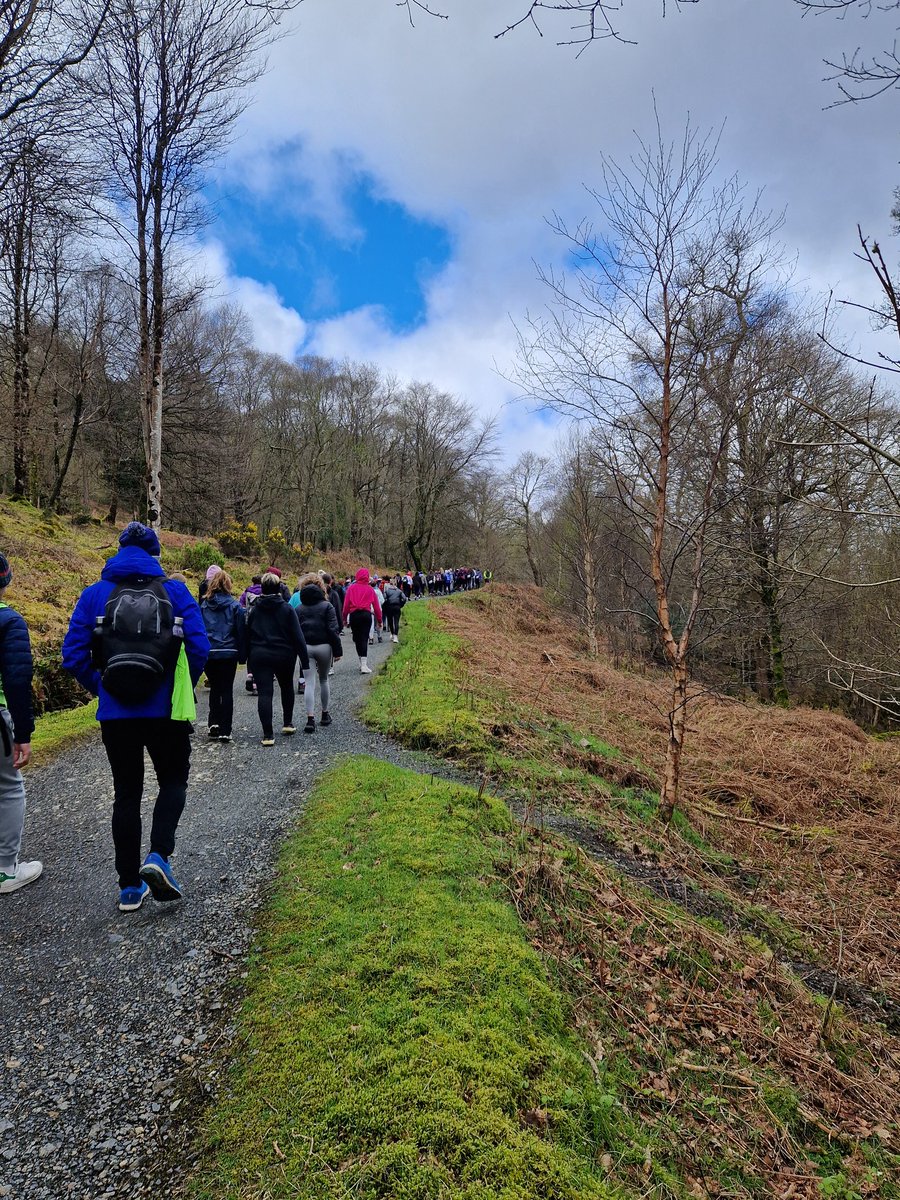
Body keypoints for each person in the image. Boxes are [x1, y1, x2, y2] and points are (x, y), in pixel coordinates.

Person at [62, 522, 210, 912]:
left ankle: (129, 887)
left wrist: (102, 688)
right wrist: (181, 687)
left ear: (119, 550)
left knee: (127, 793)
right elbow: (199, 646)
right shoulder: (175, 591)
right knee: (173, 780)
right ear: (155, 553)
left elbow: (73, 655)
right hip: (165, 712)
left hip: (116, 715)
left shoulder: (95, 595)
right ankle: (159, 856)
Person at [0, 552, 41, 894]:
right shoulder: (10, 622)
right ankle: (5, 869)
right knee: (9, 787)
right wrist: (23, 733)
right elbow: (16, 679)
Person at [246, 572, 309, 745]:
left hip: (260, 654)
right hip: (284, 654)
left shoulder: (255, 609)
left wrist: (244, 656)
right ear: (279, 587)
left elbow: (247, 633)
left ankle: (268, 735)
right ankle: (287, 723)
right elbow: (298, 636)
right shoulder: (287, 608)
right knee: (286, 686)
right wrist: (305, 660)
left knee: (265, 693)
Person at [200, 570, 247, 743]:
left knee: (215, 688)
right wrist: (243, 655)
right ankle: (225, 730)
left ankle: (213, 723)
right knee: (226, 690)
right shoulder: (235, 606)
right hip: (228, 652)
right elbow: (240, 632)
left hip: (210, 652)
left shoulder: (204, 606)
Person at [295, 573, 342, 732]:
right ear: (321, 588)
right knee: (323, 680)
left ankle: (310, 719)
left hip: (306, 647)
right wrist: (337, 650)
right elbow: (333, 630)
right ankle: (325, 714)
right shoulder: (327, 606)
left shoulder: (298, 608)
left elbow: (296, 632)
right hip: (324, 647)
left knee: (309, 682)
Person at [342, 568, 381, 674]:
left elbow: (346, 605)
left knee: (357, 638)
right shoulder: (370, 589)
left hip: (354, 615)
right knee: (364, 638)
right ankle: (364, 664)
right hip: (366, 615)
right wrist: (380, 620)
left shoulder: (351, 588)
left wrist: (344, 618)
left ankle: (360, 660)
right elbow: (376, 607)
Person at [382, 577, 406, 643]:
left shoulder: (387, 591)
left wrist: (386, 606)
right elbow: (404, 598)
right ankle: (396, 636)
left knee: (390, 621)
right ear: (396, 584)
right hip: (397, 607)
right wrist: (401, 605)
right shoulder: (399, 591)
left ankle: (392, 634)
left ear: (390, 584)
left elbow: (384, 599)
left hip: (389, 607)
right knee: (396, 621)